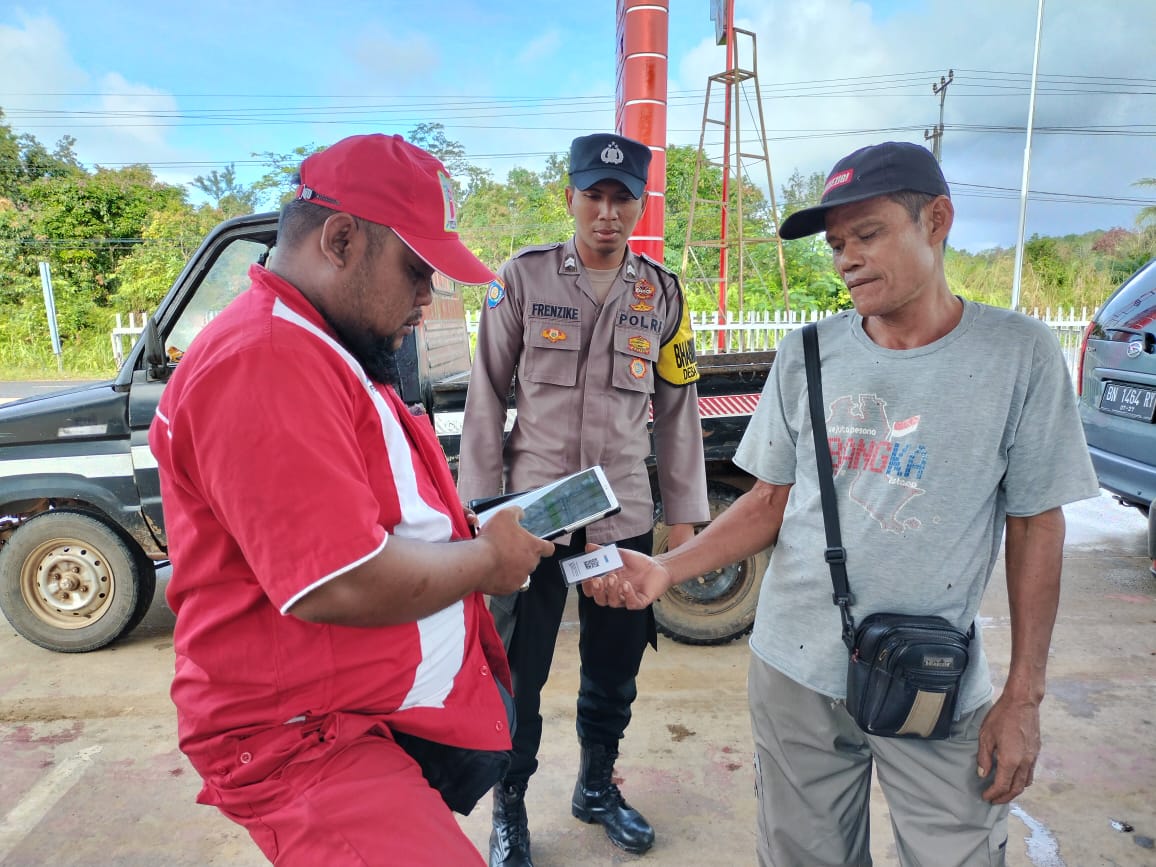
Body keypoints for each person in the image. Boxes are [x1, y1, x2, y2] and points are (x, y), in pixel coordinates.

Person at [584, 141, 1101, 866]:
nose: (848, 258)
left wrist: (1024, 696)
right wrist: (668, 570)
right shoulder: (808, 353)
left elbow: (1037, 524)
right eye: (836, 245)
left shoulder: (1019, 355)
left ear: (938, 221)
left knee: (957, 852)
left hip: (933, 676)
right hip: (795, 670)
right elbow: (768, 502)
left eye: (868, 234)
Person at [148, 133, 555, 866]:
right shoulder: (267, 358)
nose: (428, 299)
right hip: (299, 738)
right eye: (417, 271)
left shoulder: (323, 343)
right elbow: (341, 578)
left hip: (353, 710)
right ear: (340, 239)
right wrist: (488, 559)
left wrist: (460, 529)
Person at [457, 132, 710, 866]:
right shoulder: (524, 279)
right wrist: (483, 511)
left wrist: (686, 533)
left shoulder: (661, 294)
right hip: (531, 521)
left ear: (639, 205)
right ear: (568, 198)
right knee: (519, 675)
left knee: (614, 670)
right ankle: (511, 807)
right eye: (592, 196)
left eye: (621, 199)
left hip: (622, 519)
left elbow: (678, 414)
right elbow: (484, 401)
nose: (606, 212)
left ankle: (597, 787)